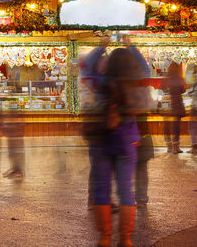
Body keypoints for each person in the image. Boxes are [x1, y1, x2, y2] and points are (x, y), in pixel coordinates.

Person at [85, 46, 141, 247]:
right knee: (126, 189)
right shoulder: (135, 84)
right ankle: (125, 238)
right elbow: (145, 69)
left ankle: (104, 237)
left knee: (102, 189)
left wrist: (101, 46)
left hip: (102, 141)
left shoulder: (101, 83)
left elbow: (87, 67)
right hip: (126, 141)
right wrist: (132, 47)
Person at [121, 35, 153, 206]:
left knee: (127, 166)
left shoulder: (122, 84)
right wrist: (130, 46)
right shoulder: (140, 83)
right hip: (139, 130)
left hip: (129, 131)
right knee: (139, 166)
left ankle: (129, 198)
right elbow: (145, 68)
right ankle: (139, 198)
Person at [162, 62, 186, 154]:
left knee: (166, 125)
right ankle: (176, 147)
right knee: (176, 125)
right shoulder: (179, 78)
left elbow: (162, 89)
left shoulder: (165, 78)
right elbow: (183, 90)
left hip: (166, 103)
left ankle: (168, 146)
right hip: (176, 102)